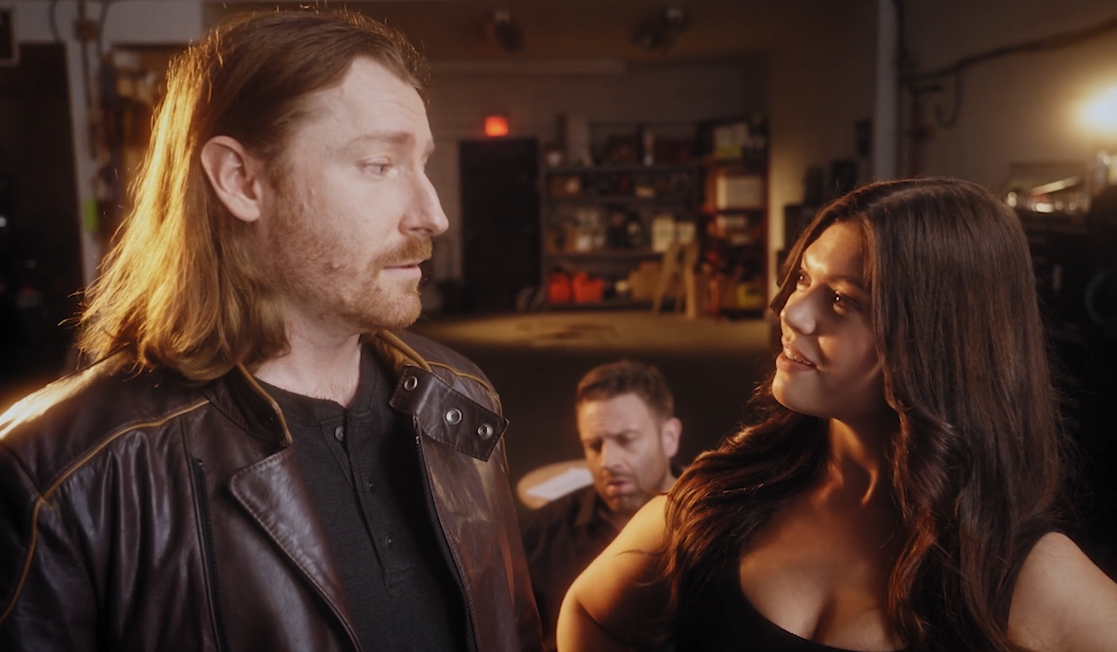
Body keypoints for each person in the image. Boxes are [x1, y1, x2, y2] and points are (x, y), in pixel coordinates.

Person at [0, 9, 542, 652]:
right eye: (378, 164)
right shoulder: (60, 472)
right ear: (241, 181)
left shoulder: (460, 398)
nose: (434, 215)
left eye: (421, 164)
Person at [558, 178, 1117, 651]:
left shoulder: (1014, 570)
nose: (791, 311)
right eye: (804, 278)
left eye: (842, 300)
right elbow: (588, 613)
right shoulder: (726, 495)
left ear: (935, 341)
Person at [522, 360, 681, 651]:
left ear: (669, 438)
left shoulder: (715, 526)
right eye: (594, 445)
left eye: (627, 440)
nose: (608, 461)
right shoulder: (544, 535)